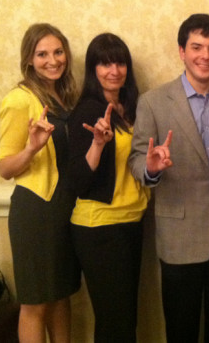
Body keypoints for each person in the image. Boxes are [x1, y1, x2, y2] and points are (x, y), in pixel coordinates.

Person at [128, 14, 209, 342]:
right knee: (181, 328)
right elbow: (137, 159)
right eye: (196, 47)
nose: (205, 56)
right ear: (181, 51)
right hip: (178, 233)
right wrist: (151, 167)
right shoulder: (153, 101)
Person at [0, 23, 81, 343]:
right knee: (35, 303)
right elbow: (5, 168)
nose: (53, 60)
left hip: (64, 210)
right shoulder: (19, 100)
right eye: (42, 54)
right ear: (29, 60)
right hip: (36, 212)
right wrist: (32, 148)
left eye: (58, 52)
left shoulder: (65, 98)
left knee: (61, 296)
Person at [67, 33, 150, 342]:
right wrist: (98, 146)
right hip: (99, 227)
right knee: (115, 322)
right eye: (104, 63)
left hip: (130, 221)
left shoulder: (128, 108)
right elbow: (78, 179)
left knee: (125, 319)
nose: (114, 70)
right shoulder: (88, 111)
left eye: (120, 62)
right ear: (93, 69)